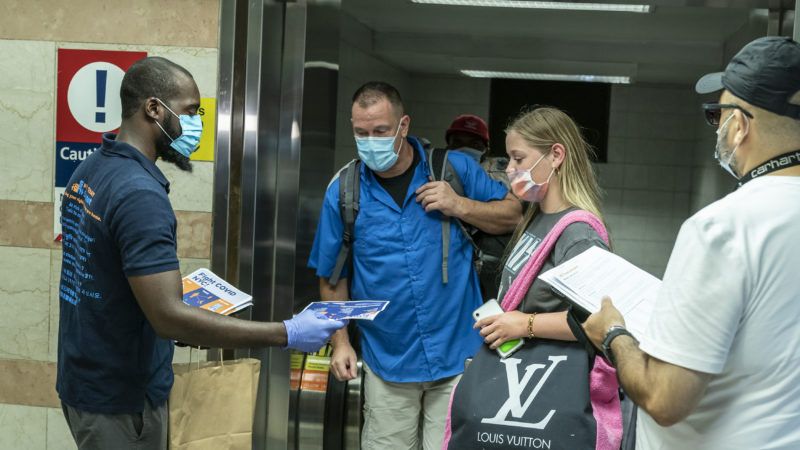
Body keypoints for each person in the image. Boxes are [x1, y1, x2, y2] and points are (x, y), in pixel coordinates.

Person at [56, 57, 345, 450]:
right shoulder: (140, 195)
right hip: (122, 400)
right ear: (153, 108)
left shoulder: (91, 169)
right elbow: (168, 318)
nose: (196, 125)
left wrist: (180, 313)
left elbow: (106, 274)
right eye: (191, 111)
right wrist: (287, 333)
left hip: (85, 381)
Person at [582, 36, 800, 449]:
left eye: (718, 115)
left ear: (740, 124)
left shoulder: (723, 227)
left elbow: (665, 399)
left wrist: (613, 333)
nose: (718, 127)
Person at [308, 81, 522, 450]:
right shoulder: (344, 191)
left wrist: (459, 205)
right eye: (361, 132)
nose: (370, 140)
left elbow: (514, 215)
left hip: (457, 354)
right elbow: (332, 277)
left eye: (381, 131)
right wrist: (340, 341)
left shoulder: (452, 169)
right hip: (387, 359)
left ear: (403, 126)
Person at [445, 114, 514, 299]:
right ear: (448, 146)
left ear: (486, 149)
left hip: (491, 268)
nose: (465, 148)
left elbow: (514, 217)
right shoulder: (437, 173)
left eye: (475, 144)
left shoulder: (502, 175)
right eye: (458, 142)